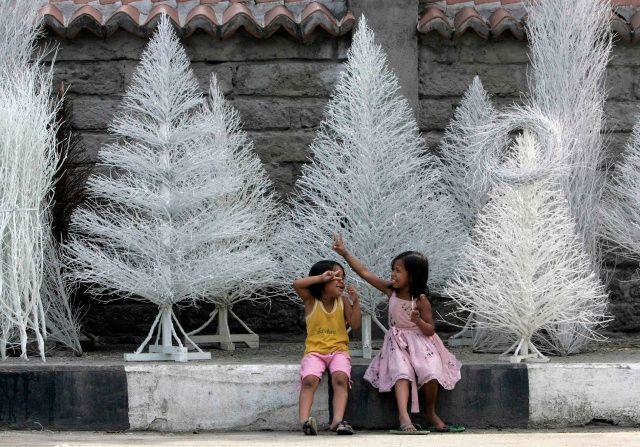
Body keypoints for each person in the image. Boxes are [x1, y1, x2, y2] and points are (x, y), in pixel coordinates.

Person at [332, 234, 463, 434]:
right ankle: (404, 416)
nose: (392, 274)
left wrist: (418, 321)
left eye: (397, 270)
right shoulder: (390, 290)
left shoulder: (421, 300)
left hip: (421, 343)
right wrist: (345, 253)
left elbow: (430, 330)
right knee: (402, 372)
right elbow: (365, 273)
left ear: (412, 276)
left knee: (431, 372)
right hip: (396, 343)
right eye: (392, 269)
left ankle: (430, 412)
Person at [293, 259, 362, 436]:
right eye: (336, 276)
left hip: (338, 350)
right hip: (315, 352)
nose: (341, 281)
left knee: (340, 378)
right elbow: (297, 284)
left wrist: (356, 302)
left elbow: (355, 325)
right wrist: (320, 278)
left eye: (343, 277)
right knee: (309, 380)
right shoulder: (310, 300)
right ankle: (305, 422)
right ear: (323, 279)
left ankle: (337, 421)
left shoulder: (343, 301)